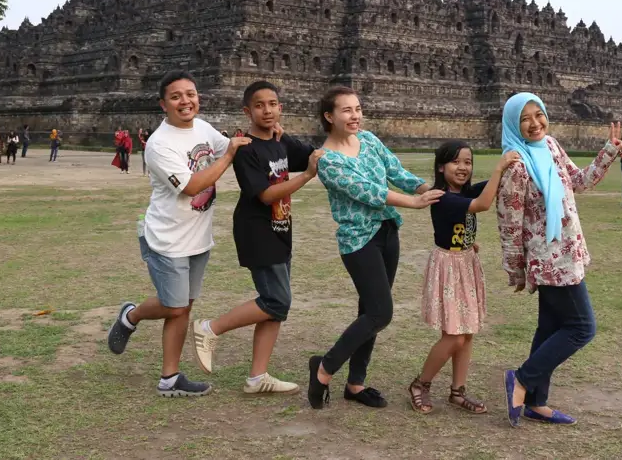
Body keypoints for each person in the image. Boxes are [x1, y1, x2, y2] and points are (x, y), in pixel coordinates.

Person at [107, 70, 250, 397]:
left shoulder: (202, 127)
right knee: (174, 307)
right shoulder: (159, 144)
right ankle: (131, 316)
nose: (185, 101)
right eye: (176, 96)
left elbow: (232, 146)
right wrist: (228, 155)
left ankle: (169, 379)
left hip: (198, 238)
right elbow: (191, 187)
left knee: (183, 306)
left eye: (191, 94)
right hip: (167, 239)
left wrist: (267, 134)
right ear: (163, 104)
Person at [307, 86, 443, 410]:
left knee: (369, 312)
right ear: (329, 116)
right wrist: (412, 201)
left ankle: (356, 384)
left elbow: (396, 171)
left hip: (387, 232)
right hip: (358, 240)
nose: (355, 116)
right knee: (381, 312)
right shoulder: (327, 161)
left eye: (357, 108)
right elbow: (369, 192)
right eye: (346, 110)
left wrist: (433, 191)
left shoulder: (368, 140)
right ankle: (323, 369)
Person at [498, 92, 622, 427]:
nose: (535, 123)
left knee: (550, 327)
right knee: (582, 328)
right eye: (525, 119)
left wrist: (609, 151)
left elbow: (579, 181)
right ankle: (522, 379)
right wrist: (515, 269)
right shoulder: (515, 165)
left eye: (539, 115)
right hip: (548, 260)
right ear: (514, 124)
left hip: (569, 250)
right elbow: (509, 222)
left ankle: (536, 402)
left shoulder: (550, 146)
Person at [192, 81, 322, 395]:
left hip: (280, 227)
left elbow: (315, 154)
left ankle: (257, 377)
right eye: (260, 105)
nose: (267, 110)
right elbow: (264, 195)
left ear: (280, 108)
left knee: (276, 307)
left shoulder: (281, 142)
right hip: (256, 230)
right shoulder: (245, 149)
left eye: (273, 104)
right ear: (247, 111)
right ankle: (210, 328)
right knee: (278, 300)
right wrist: (305, 177)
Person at [408, 142, 520, 415]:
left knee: (467, 334)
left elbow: (490, 188)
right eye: (456, 162)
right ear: (440, 167)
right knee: (454, 336)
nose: (463, 168)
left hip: (466, 262)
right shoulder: (443, 197)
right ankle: (419, 384)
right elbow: (482, 204)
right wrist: (499, 167)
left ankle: (458, 391)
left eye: (468, 162)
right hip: (449, 266)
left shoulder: (463, 191)